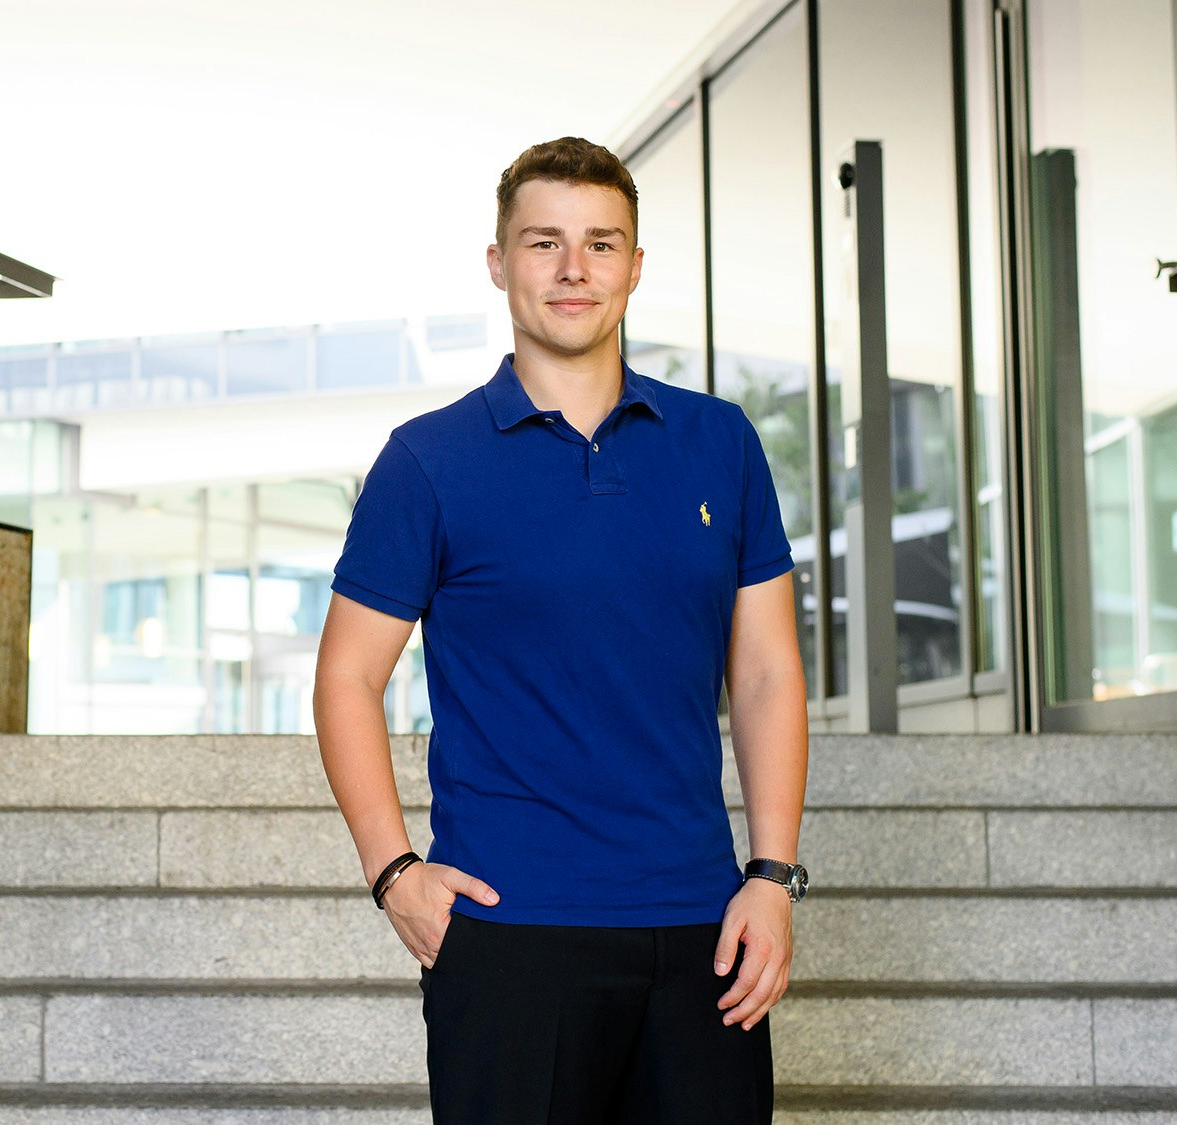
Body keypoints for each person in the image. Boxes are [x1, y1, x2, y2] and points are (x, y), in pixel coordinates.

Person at [311, 136, 810, 1123]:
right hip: (508, 930)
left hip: (698, 925)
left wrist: (771, 875)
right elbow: (343, 679)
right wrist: (392, 874)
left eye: (599, 243)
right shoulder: (427, 462)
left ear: (633, 266)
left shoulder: (719, 444)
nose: (572, 270)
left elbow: (763, 674)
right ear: (498, 265)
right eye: (543, 243)